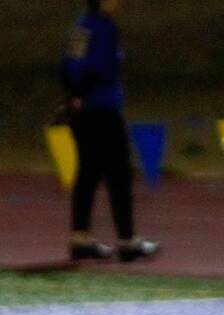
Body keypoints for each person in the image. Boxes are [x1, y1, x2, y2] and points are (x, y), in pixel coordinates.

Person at [60, 0, 158, 263]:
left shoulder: (80, 26)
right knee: (119, 174)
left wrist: (73, 95)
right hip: (102, 110)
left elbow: (66, 65)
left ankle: (80, 239)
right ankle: (127, 241)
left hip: (83, 112)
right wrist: (82, 92)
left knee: (88, 173)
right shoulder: (104, 29)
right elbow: (99, 67)